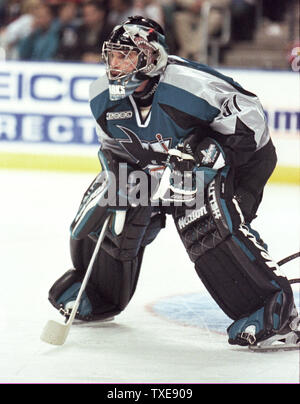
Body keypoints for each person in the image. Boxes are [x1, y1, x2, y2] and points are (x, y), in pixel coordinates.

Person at [47, 16, 299, 349]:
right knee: (111, 200)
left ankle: (273, 311)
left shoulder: (189, 85)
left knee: (202, 216)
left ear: (151, 58)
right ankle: (96, 292)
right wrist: (121, 179)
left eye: (127, 55)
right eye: (113, 55)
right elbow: (112, 149)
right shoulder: (102, 97)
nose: (116, 64)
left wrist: (206, 152)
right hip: (159, 169)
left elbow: (251, 122)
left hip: (239, 163)